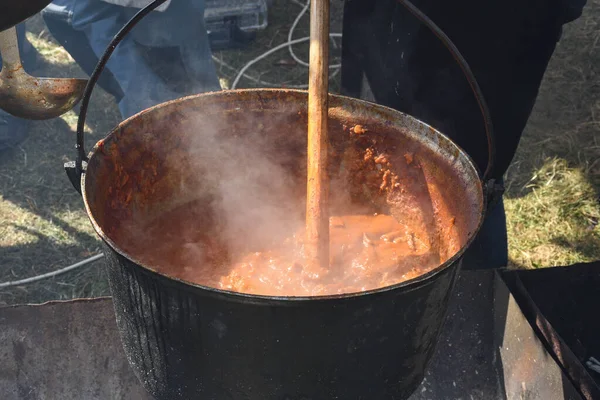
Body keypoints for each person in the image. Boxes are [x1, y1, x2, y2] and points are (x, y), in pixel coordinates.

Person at [340, 0, 587, 269]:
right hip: (392, 20)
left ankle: (478, 288)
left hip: (498, 33)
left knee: (472, 175)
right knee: (372, 141)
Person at [40, 0, 221, 119]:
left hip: (157, 15)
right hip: (114, 13)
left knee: (196, 95)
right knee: (155, 104)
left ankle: (209, 131)